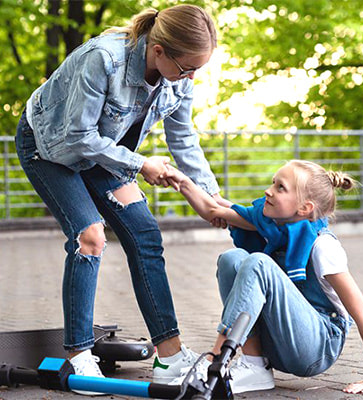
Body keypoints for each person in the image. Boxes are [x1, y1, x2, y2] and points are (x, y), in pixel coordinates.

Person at [15, 4, 229, 394]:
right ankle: (79, 355)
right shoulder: (104, 59)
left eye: (199, 69)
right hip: (51, 146)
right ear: (159, 49)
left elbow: (183, 139)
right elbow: (77, 137)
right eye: (187, 69)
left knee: (146, 235)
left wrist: (212, 197)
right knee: (90, 237)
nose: (192, 77)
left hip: (104, 150)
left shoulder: (180, 76)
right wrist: (141, 163)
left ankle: (169, 355)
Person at [165, 160, 363, 395]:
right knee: (232, 259)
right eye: (273, 183)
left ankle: (214, 363)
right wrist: (182, 181)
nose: (268, 191)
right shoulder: (270, 224)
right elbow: (214, 210)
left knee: (259, 262)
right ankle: (254, 366)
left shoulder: (322, 246)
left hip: (317, 347)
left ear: (304, 208)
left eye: (280, 187)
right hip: (280, 340)